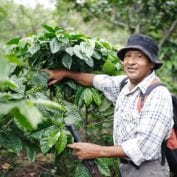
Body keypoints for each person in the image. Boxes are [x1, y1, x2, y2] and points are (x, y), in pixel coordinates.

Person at [44, 33, 173, 177]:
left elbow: (144, 148)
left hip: (148, 170)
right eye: (128, 56)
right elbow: (97, 81)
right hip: (127, 167)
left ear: (152, 64)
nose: (131, 61)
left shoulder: (158, 95)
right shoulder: (125, 84)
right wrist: (65, 73)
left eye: (139, 56)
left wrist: (98, 151)